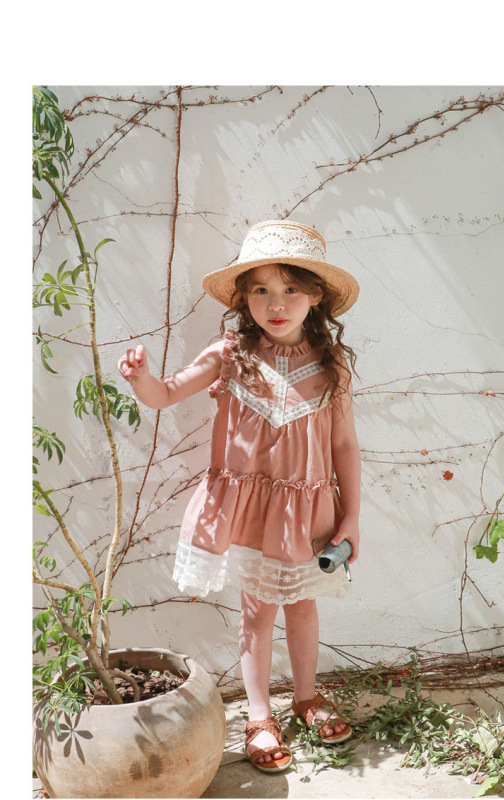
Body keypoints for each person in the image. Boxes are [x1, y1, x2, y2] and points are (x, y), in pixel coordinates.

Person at [118, 220, 362, 773]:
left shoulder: (331, 364)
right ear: (244, 298)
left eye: (290, 289)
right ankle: (259, 715)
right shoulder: (230, 355)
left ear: (315, 296)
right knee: (257, 610)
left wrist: (352, 516)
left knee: (302, 605)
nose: (276, 304)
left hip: (306, 513)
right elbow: (166, 393)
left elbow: (344, 443)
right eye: (261, 290)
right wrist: (141, 379)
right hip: (248, 514)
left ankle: (306, 698)